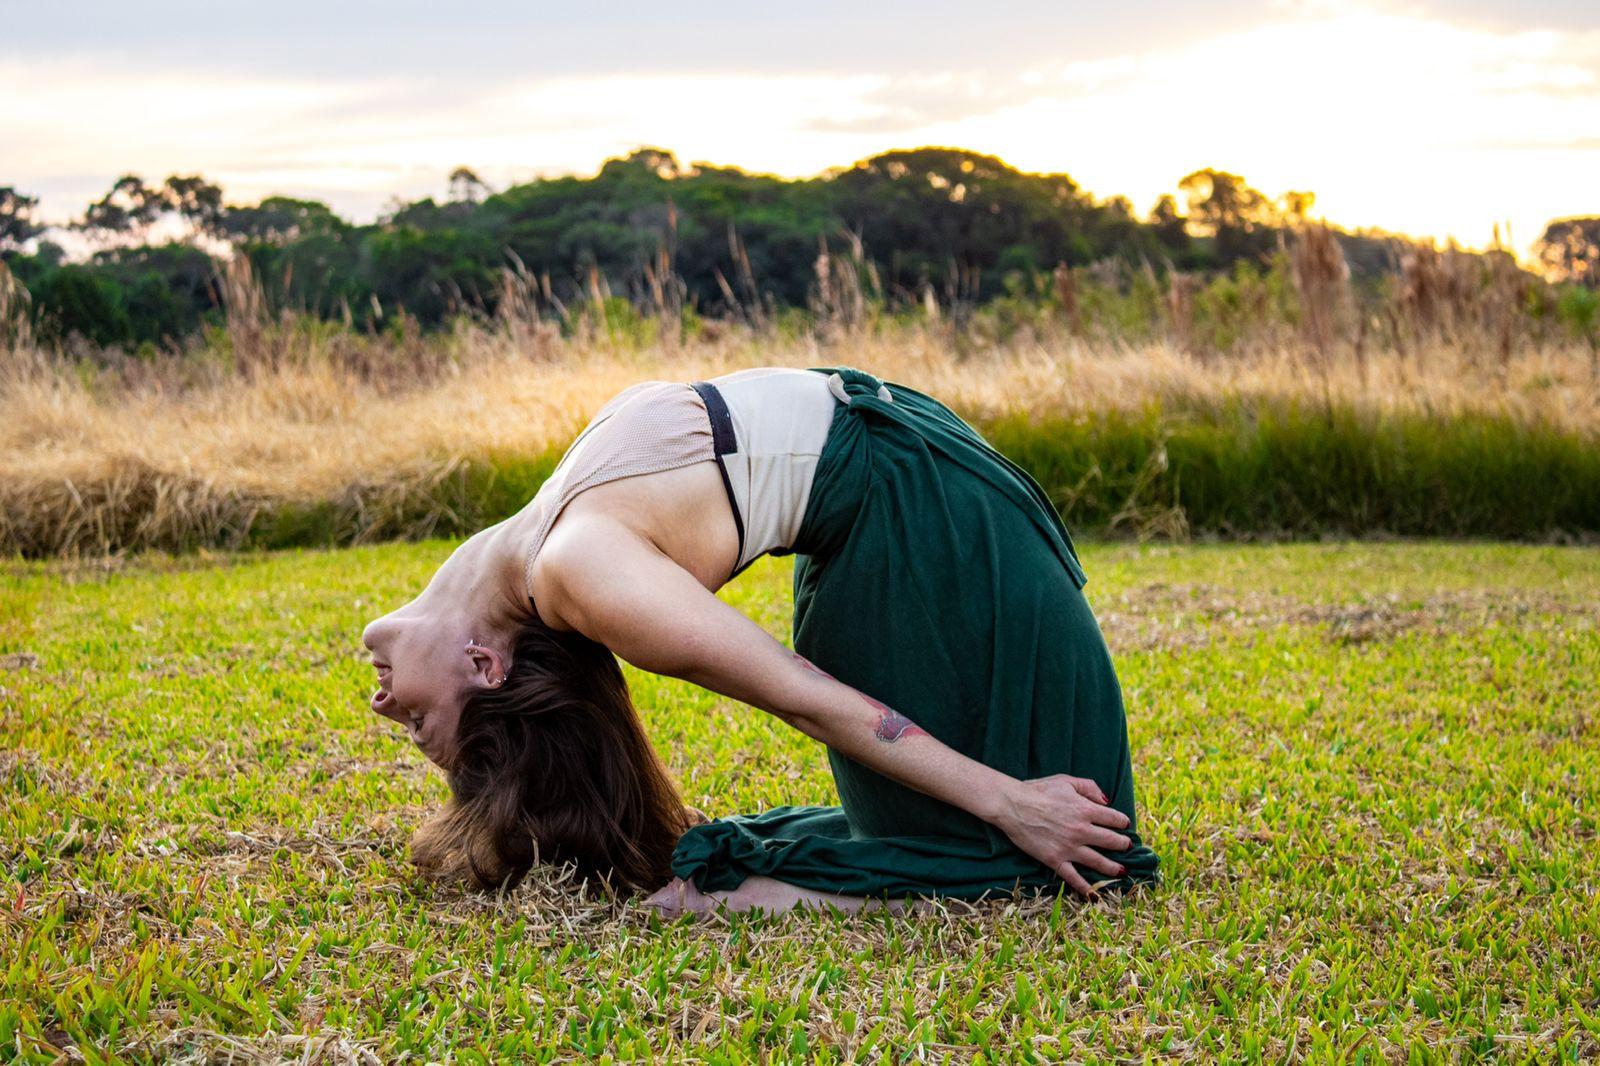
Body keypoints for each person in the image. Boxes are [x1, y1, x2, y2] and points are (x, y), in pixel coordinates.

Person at [360, 365, 1159, 918]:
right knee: (1090, 850)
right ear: (482, 666)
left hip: (919, 485)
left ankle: (788, 882)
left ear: (483, 661)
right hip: (903, 522)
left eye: (419, 728)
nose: (384, 703)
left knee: (1084, 838)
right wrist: (1011, 802)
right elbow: (806, 697)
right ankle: (767, 895)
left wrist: (1010, 802)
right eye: (416, 724)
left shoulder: (555, 534)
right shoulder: (583, 570)